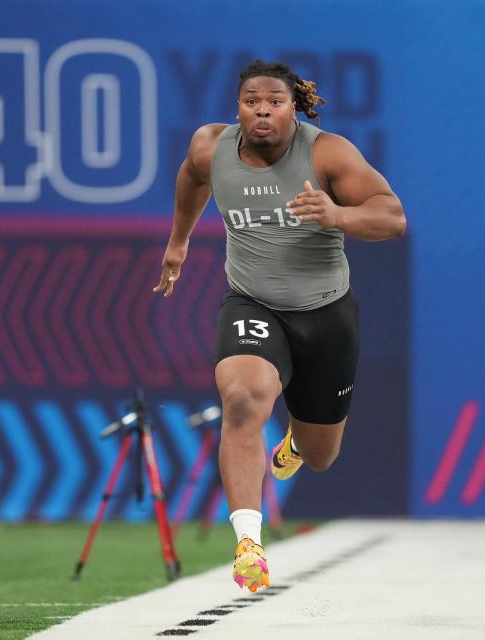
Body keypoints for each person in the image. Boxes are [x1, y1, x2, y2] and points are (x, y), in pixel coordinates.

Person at [153, 59, 406, 592]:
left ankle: (293, 442)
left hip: (326, 314)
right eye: (252, 102)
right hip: (252, 303)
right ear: (238, 108)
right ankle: (249, 544)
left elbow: (391, 216)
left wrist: (338, 216)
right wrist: (179, 240)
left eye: (275, 102)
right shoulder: (211, 146)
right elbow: (192, 178)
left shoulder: (326, 153)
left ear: (293, 108)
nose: (262, 111)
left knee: (320, 456)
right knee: (244, 399)